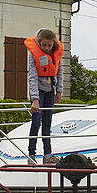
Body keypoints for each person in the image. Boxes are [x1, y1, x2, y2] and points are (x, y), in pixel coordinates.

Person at [25, 28, 64, 164]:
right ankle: (31, 155)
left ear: (53, 44)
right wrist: (35, 99)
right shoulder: (33, 54)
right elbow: (32, 77)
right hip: (39, 91)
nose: (47, 48)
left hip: (50, 90)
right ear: (39, 43)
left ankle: (47, 155)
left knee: (47, 123)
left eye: (50, 45)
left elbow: (59, 72)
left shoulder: (56, 52)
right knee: (36, 123)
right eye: (44, 45)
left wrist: (59, 91)